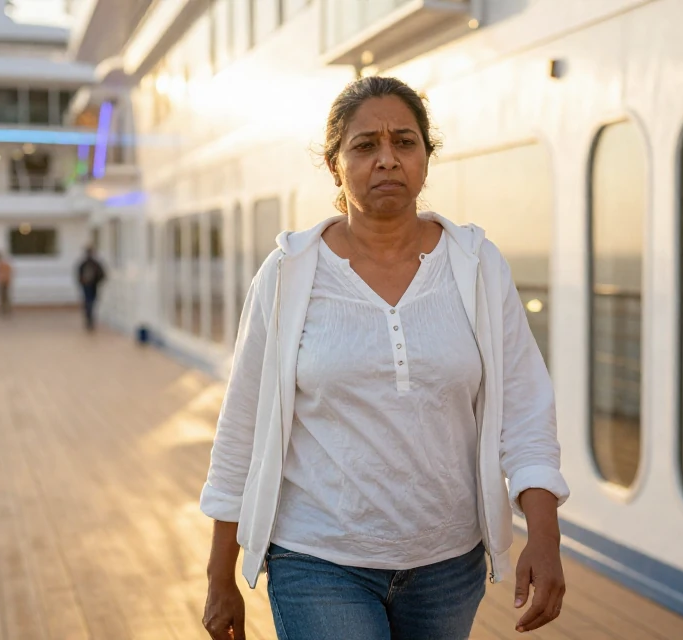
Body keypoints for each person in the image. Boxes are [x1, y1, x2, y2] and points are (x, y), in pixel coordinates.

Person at [200, 76, 569, 640]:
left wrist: (545, 535)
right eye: (366, 145)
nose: (387, 160)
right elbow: (241, 428)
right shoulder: (287, 275)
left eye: (404, 142)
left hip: (449, 563)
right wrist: (218, 574)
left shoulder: (475, 265)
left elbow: (525, 407)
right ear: (335, 164)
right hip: (317, 557)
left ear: (426, 157)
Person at [76, 246, 106, 330]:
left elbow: (78, 275)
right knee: (91, 302)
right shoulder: (94, 263)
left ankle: (89, 318)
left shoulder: (84, 263)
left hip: (90, 286)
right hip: (91, 286)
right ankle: (90, 318)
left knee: (88, 302)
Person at [0, 251, 12, 316]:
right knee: (3, 297)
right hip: (2, 282)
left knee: (4, 297)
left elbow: (7, 273)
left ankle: (6, 310)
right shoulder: (0, 264)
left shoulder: (3, 264)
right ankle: (4, 310)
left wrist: (5, 279)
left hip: (4, 282)